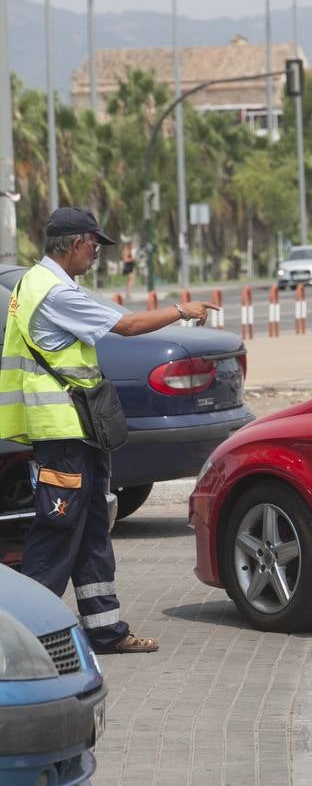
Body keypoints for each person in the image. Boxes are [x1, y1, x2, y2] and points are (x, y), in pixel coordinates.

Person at [0, 207, 220, 654]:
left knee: (94, 531)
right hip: (62, 432)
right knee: (57, 533)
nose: (97, 252)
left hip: (82, 430)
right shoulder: (53, 292)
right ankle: (24, 639)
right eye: (94, 244)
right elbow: (128, 325)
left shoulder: (38, 282)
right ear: (74, 244)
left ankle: (105, 630)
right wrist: (181, 309)